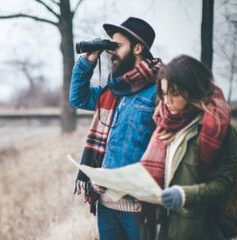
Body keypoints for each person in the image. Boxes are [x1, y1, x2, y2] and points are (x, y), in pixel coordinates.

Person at [71, 17, 162, 240]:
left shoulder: (159, 90)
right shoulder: (114, 90)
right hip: (105, 204)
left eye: (117, 46)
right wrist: (89, 59)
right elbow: (78, 98)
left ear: (138, 48)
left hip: (139, 208)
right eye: (110, 46)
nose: (111, 52)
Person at [140, 54, 237, 239]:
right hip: (161, 228)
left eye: (175, 94)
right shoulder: (165, 123)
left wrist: (184, 195)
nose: (167, 100)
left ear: (193, 90)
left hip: (198, 230)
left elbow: (223, 185)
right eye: (163, 93)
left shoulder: (216, 128)